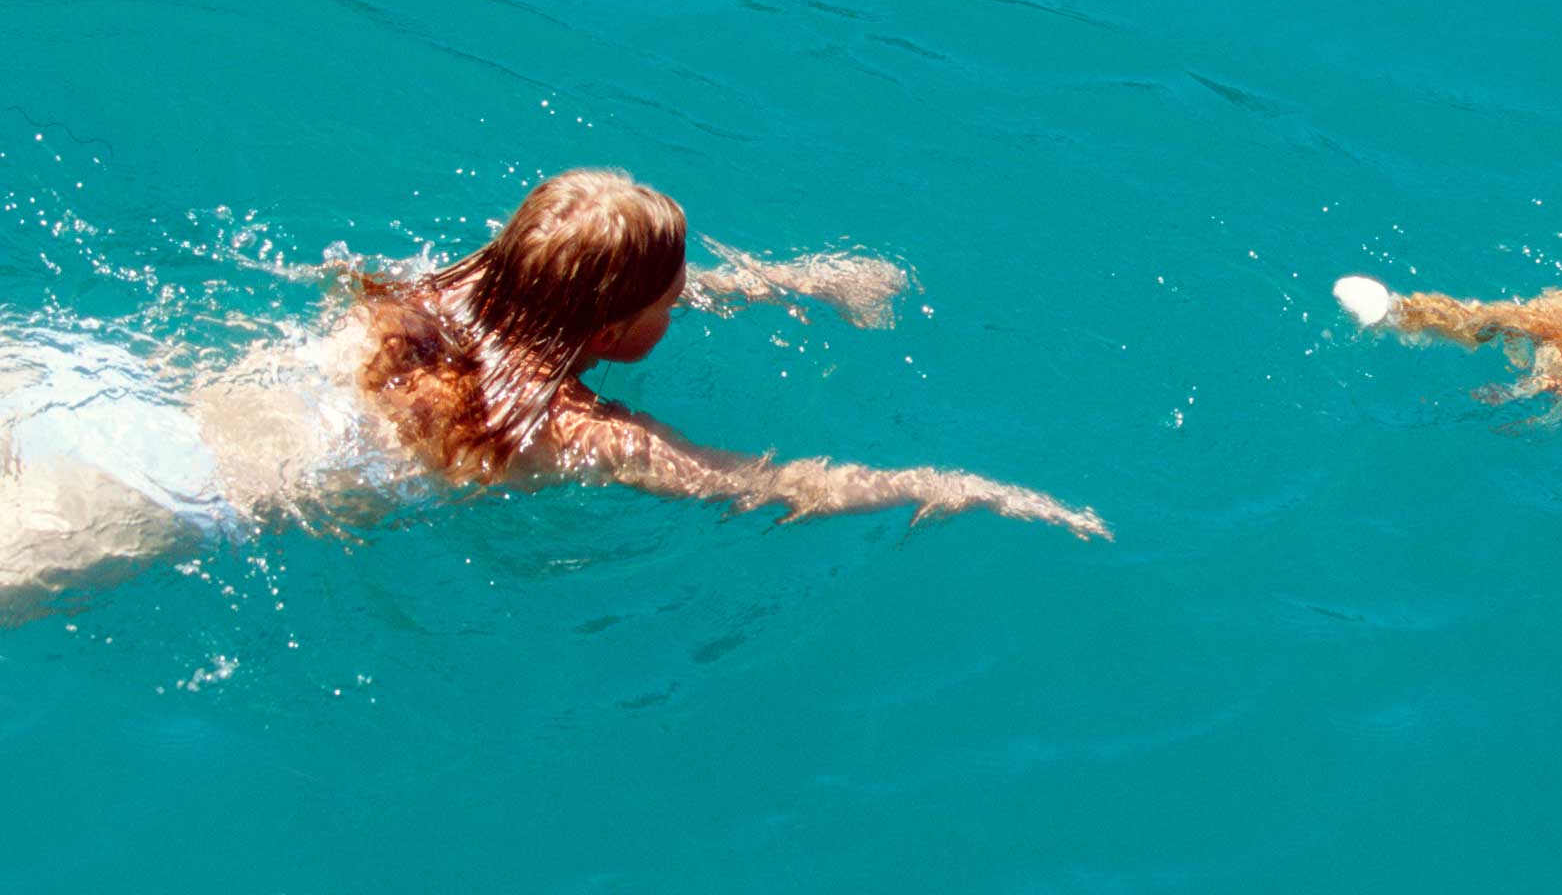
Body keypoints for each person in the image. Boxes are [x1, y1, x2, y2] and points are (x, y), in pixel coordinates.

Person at [1, 168, 1105, 623]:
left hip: (103, 390)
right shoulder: (569, 430)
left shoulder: (440, 293)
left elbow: (596, 289)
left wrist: (803, 283)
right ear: (613, 335)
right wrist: (960, 485)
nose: (687, 301)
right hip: (158, 499)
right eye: (673, 297)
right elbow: (770, 485)